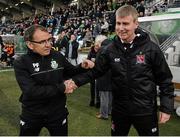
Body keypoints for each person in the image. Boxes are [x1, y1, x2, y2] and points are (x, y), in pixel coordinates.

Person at [70, 5, 174, 136]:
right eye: (118, 23)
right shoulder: (109, 49)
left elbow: (165, 79)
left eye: (125, 23)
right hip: (119, 110)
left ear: (136, 23)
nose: (121, 28)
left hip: (145, 111)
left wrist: (166, 107)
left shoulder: (151, 49)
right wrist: (75, 82)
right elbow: (96, 72)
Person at [13, 24, 94, 136]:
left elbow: (70, 71)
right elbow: (31, 91)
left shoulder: (57, 56)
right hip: (32, 113)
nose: (48, 45)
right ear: (30, 44)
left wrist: (81, 67)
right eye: (42, 42)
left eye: (49, 40)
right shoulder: (21, 62)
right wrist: (62, 87)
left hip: (57, 111)